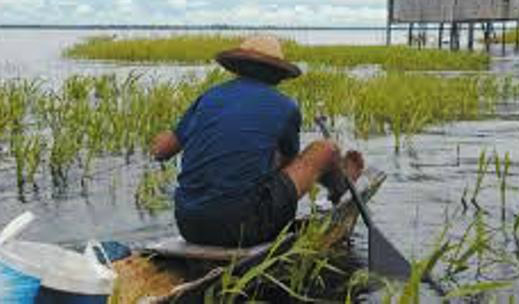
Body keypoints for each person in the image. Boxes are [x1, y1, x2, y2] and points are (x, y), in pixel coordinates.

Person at [150, 35, 363, 247]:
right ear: (277, 75)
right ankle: (339, 187)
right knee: (324, 149)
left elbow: (161, 151)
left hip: (188, 225)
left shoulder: (209, 97)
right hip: (245, 228)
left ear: (236, 68)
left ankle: (336, 184)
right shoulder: (284, 106)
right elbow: (288, 166)